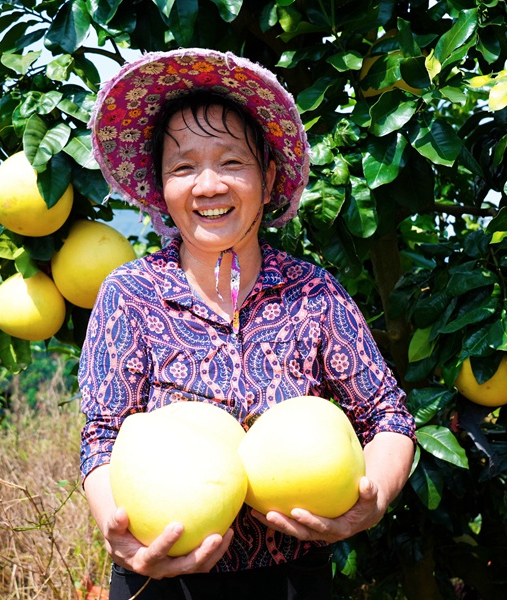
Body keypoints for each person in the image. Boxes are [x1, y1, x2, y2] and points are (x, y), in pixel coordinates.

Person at [79, 48, 416, 600]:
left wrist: (371, 500)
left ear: (268, 175)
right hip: (164, 580)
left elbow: (387, 416)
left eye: (231, 162)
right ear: (162, 187)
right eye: (183, 166)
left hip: (292, 582)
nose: (208, 185)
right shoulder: (131, 295)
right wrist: (122, 540)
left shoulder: (312, 293)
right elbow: (101, 437)